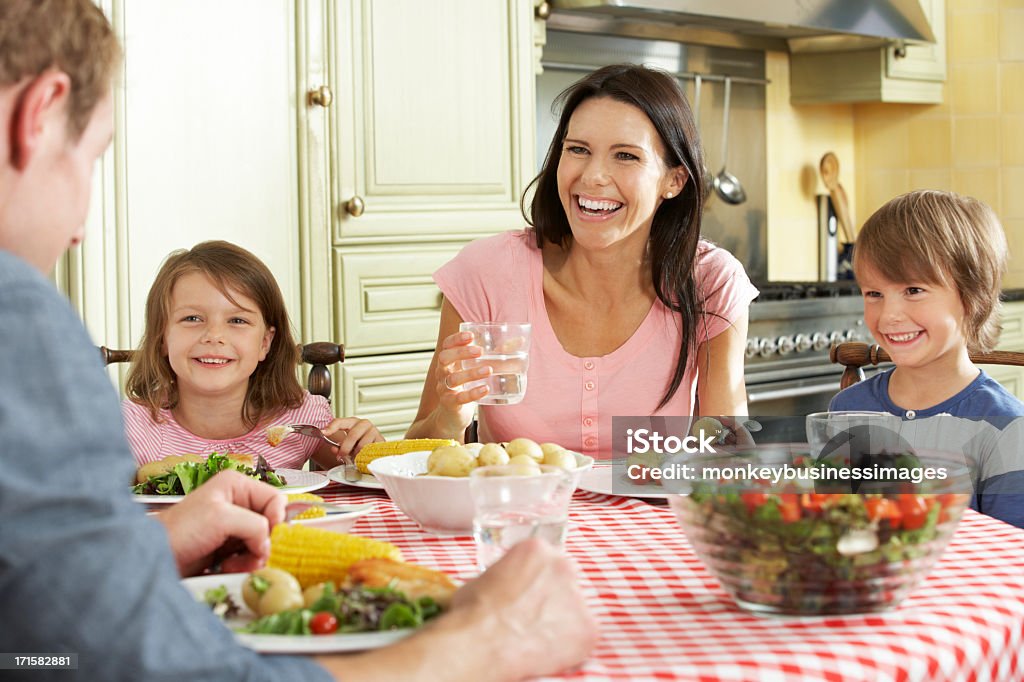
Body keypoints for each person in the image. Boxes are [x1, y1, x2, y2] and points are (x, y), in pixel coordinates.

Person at [0, 1, 596, 680]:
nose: (80, 226)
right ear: (39, 114)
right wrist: (482, 642)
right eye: (91, 157)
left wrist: (144, 544)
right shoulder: (20, 324)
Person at [407, 64, 758, 456]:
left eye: (625, 155)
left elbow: (729, 455)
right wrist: (450, 416)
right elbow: (418, 456)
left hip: (653, 516)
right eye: (578, 150)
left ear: (673, 181)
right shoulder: (486, 273)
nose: (593, 176)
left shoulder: (710, 280)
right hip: (513, 514)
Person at [829, 190, 1024, 527]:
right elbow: (835, 525)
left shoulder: (1005, 428)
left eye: (913, 290)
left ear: (972, 296)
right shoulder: (847, 409)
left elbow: (1013, 556)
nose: (889, 315)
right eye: (874, 294)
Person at [122, 239, 382, 471]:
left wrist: (371, 452)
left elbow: (362, 474)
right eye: (192, 318)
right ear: (162, 337)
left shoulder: (299, 419)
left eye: (237, 320)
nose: (214, 335)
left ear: (265, 343)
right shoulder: (130, 427)